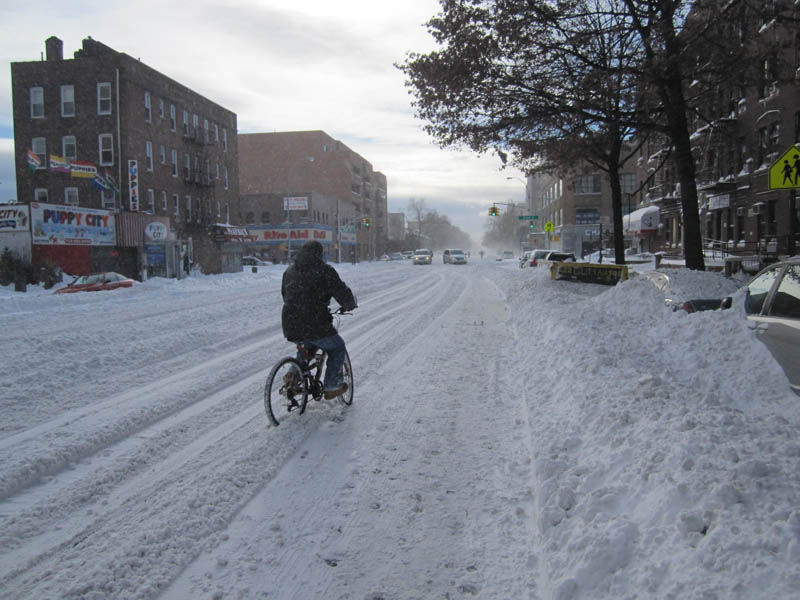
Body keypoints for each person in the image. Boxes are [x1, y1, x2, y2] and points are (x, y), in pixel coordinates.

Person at [281, 240, 357, 399]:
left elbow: (285, 294)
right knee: (337, 347)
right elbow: (340, 291)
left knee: (306, 346)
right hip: (316, 322)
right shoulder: (324, 271)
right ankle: (332, 385)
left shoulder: (290, 271)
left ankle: (293, 376)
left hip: (290, 323)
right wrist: (349, 304)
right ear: (319, 254)